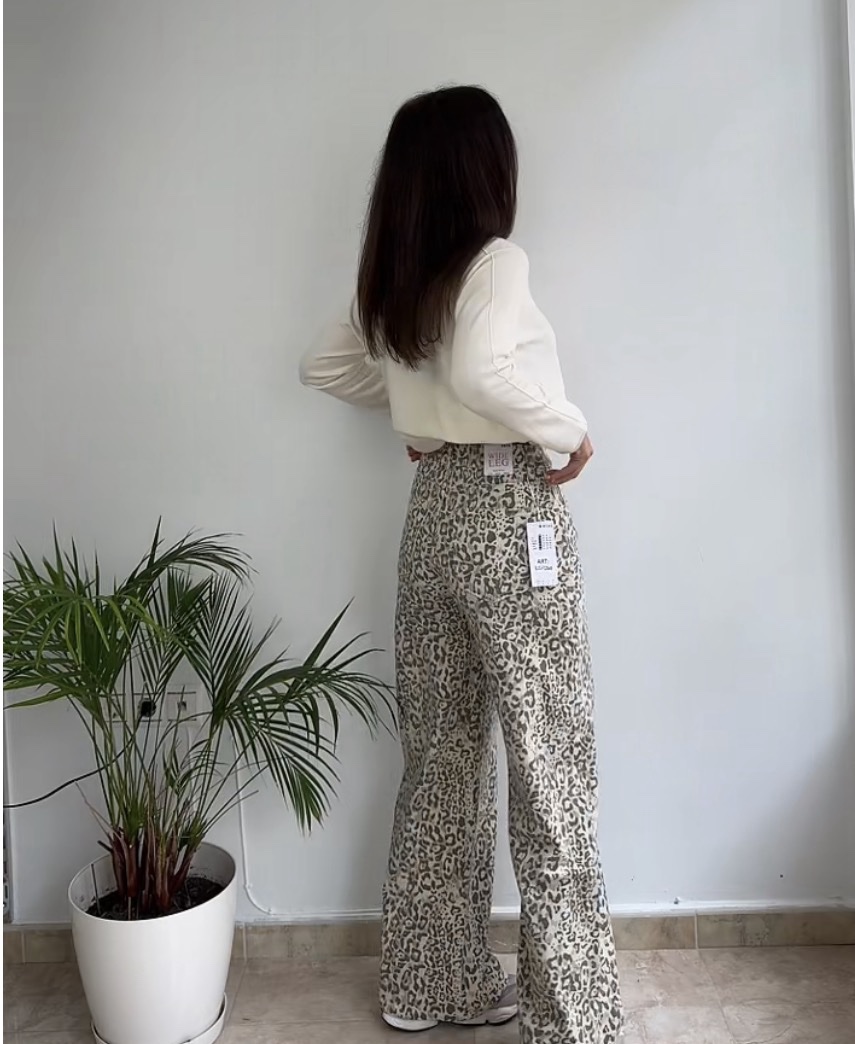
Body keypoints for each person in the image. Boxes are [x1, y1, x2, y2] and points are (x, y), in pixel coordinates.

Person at [300, 85, 623, 1044]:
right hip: (510, 508)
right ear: (484, 170)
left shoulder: (396, 273)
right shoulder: (494, 261)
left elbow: (327, 367)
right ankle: (569, 1015)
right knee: (548, 755)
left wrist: (416, 407)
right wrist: (568, 428)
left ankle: (430, 984)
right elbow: (485, 370)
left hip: (433, 515)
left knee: (440, 756)